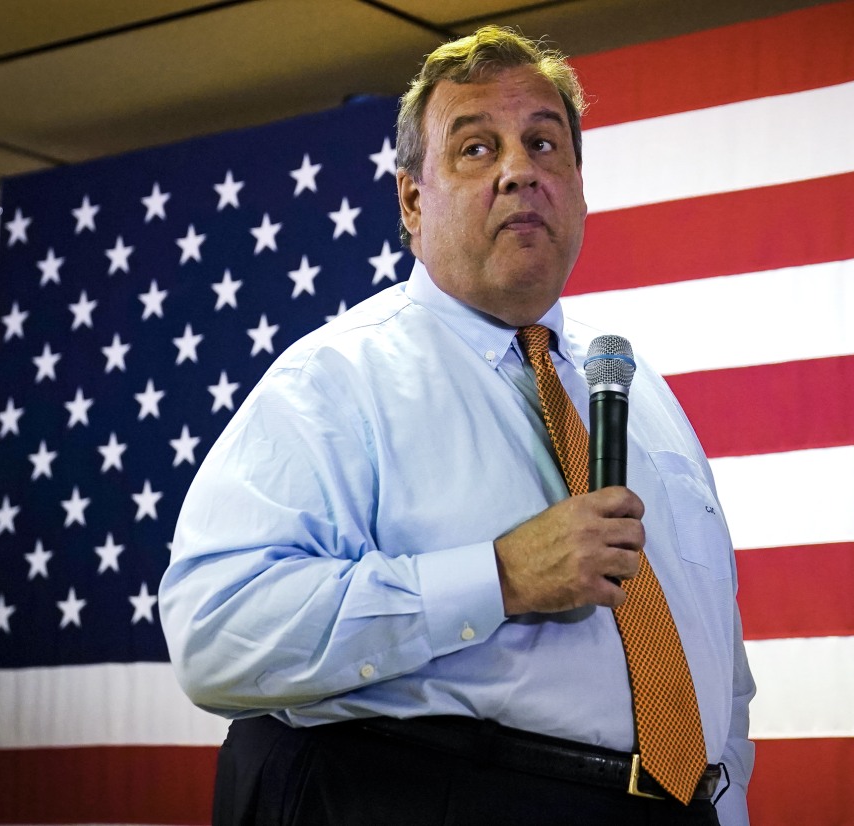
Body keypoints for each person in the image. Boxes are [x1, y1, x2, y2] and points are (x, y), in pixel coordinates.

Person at [159, 25, 754, 826]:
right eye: (476, 149)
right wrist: (498, 578)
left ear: (578, 186)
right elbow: (217, 635)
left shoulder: (639, 392)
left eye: (544, 144)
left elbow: (720, 673)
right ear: (412, 200)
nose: (520, 171)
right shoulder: (332, 381)